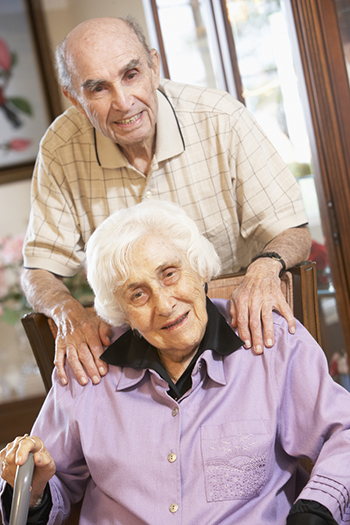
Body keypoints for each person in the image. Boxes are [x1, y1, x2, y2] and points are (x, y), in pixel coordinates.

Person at [1, 200, 347, 525]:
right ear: (124, 315)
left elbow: (343, 432)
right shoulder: (87, 371)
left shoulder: (269, 343)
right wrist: (32, 489)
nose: (164, 304)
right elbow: (51, 487)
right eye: (138, 294)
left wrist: (316, 509)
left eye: (169, 273)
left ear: (198, 269)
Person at [21, 16, 311, 387]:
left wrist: (265, 269)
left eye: (131, 74)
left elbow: (293, 231)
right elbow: (38, 271)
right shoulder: (60, 148)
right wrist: (69, 314)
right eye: (98, 89)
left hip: (238, 334)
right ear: (75, 98)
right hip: (138, 355)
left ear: (154, 67)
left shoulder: (221, 119)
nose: (123, 103)